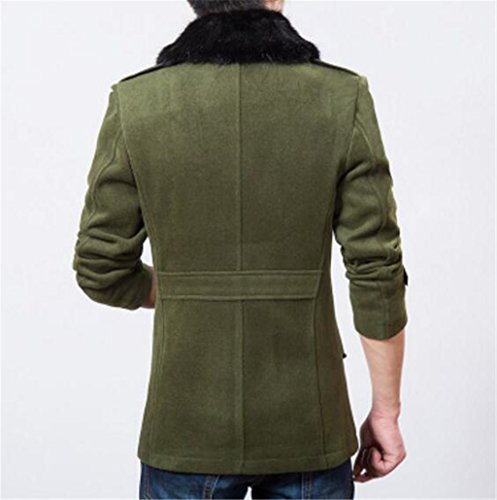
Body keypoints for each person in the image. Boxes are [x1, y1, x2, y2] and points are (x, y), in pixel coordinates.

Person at [72, 0, 409, 497]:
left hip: (185, 428)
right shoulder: (341, 97)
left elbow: (100, 268)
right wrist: (386, 412)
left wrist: (185, 289)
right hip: (309, 425)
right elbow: (377, 271)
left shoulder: (137, 101)